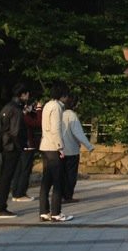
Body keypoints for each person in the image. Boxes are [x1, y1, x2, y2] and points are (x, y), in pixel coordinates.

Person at [0, 83, 29, 218]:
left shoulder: (7, 107)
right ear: (22, 95)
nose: (27, 97)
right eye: (26, 94)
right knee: (7, 177)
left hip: (4, 145)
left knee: (2, 177)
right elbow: (15, 132)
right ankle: (1, 207)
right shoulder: (16, 110)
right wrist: (21, 146)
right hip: (12, 147)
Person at [38, 85, 73, 222]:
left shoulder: (47, 105)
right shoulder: (57, 107)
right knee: (58, 180)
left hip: (45, 145)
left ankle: (44, 211)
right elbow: (56, 128)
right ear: (63, 95)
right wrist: (60, 147)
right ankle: (56, 212)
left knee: (46, 180)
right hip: (53, 147)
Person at [61, 94, 94, 203]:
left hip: (60, 149)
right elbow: (78, 133)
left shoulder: (60, 114)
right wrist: (89, 146)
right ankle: (68, 196)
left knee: (62, 174)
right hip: (71, 150)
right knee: (71, 175)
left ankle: (60, 195)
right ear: (74, 104)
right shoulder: (72, 116)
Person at [11, 97, 42, 202]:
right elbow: (38, 122)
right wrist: (39, 109)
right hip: (28, 145)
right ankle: (21, 193)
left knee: (18, 169)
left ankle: (15, 192)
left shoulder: (16, 114)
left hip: (19, 145)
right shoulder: (24, 116)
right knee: (25, 170)